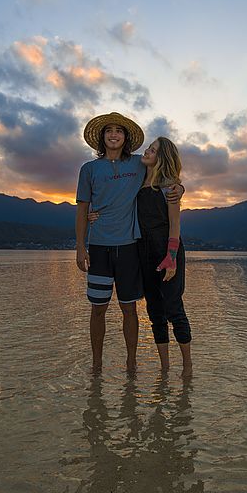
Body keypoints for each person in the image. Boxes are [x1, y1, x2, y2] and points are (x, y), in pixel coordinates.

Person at [75, 113, 183, 374]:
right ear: (102, 138)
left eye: (119, 131)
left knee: (129, 308)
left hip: (129, 247)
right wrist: (81, 246)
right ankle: (97, 364)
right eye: (108, 131)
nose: (113, 134)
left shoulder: (137, 164)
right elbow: (82, 210)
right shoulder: (89, 169)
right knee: (97, 309)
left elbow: (165, 174)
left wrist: (180, 188)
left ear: (126, 138)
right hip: (99, 246)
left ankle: (131, 362)